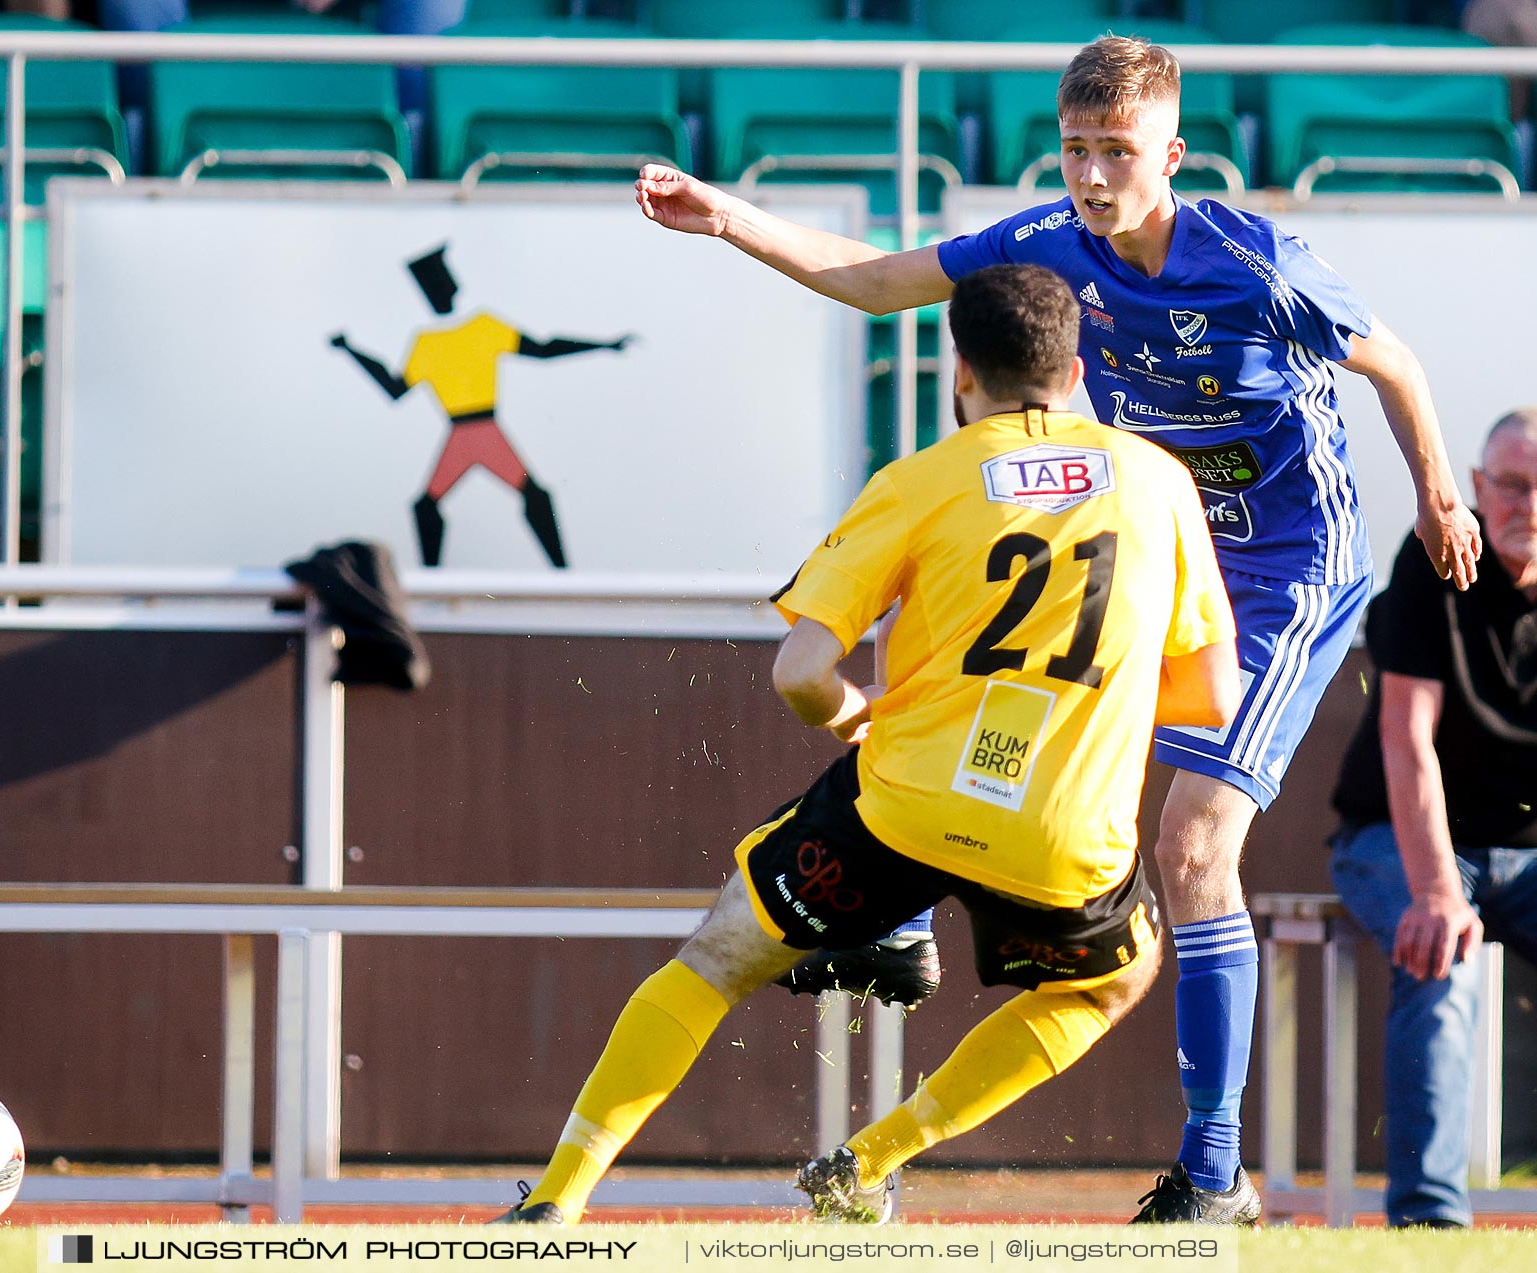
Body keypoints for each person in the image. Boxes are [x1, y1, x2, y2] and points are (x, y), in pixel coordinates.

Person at [633, 33, 1483, 1223]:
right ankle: (910, 921)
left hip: (1289, 567)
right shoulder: (1046, 244)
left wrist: (1440, 492)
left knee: (1190, 847)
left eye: (1117, 153)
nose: (1091, 175)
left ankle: (1213, 1170)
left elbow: (1394, 365)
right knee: (992, 685)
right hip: (1162, 552)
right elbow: (877, 279)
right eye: (1076, 148)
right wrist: (730, 220)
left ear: (1172, 155)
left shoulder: (1259, 264)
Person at [493, 262, 1241, 1225]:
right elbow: (1212, 694)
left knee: (720, 955)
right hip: (1062, 834)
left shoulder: (923, 480)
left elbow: (800, 672)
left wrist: (854, 710)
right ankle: (867, 1161)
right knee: (1117, 979)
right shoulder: (1158, 480)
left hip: (904, 807)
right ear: (1079, 365)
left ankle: (555, 1203)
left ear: (959, 370)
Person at [1327, 408, 1537, 1229]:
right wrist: (1439, 889)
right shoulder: (1435, 563)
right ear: (1478, 489)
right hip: (1398, 837)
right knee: (1440, 954)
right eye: (1513, 485)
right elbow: (1407, 738)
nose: (1528, 503)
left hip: (1523, 849)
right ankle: (1429, 1224)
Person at [330, 244, 631, 569]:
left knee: (528, 497)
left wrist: (604, 345)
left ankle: (562, 576)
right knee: (436, 505)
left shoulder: (478, 329)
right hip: (467, 434)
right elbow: (395, 387)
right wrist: (352, 350)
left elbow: (543, 349)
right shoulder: (431, 342)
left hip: (483, 432)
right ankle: (438, 580)